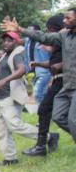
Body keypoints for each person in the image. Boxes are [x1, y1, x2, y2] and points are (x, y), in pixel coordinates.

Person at [3, 10, 76, 145]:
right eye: (64, 18)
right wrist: (20, 29)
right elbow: (44, 37)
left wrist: (61, 64)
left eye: (68, 18)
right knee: (58, 116)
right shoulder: (65, 35)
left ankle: (43, 144)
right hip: (67, 85)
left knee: (72, 119)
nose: (64, 21)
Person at [0, 31, 38, 165]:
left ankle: (46, 137)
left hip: (10, 96)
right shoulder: (6, 55)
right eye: (4, 41)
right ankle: (10, 158)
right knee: (1, 130)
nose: (6, 43)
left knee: (15, 125)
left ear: (16, 42)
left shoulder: (17, 54)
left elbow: (21, 70)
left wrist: (3, 81)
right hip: (1, 97)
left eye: (9, 40)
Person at [22, 14, 65, 156]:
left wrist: (19, 29)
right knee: (52, 112)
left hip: (65, 80)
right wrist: (39, 63)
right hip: (58, 79)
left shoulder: (64, 40)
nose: (48, 32)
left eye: (50, 29)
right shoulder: (60, 43)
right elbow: (54, 64)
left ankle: (41, 146)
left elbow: (66, 62)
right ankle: (42, 145)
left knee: (48, 110)